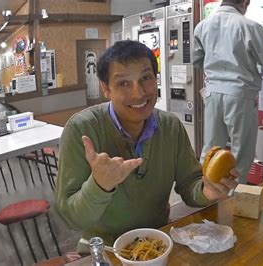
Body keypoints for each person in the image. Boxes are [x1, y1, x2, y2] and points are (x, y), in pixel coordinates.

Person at [55, 40, 238, 253]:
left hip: (158, 243)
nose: (138, 93)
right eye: (124, 83)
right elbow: (72, 218)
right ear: (106, 89)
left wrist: (207, 191)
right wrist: (99, 185)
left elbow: (190, 185)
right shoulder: (82, 129)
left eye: (146, 78)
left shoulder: (170, 126)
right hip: (104, 250)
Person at [194, 0, 263, 184]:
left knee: (211, 149)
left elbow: (196, 61)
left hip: (212, 93)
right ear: (244, 2)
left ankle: (205, 193)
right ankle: (234, 199)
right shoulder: (250, 26)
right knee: (241, 153)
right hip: (240, 94)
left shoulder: (202, 26)